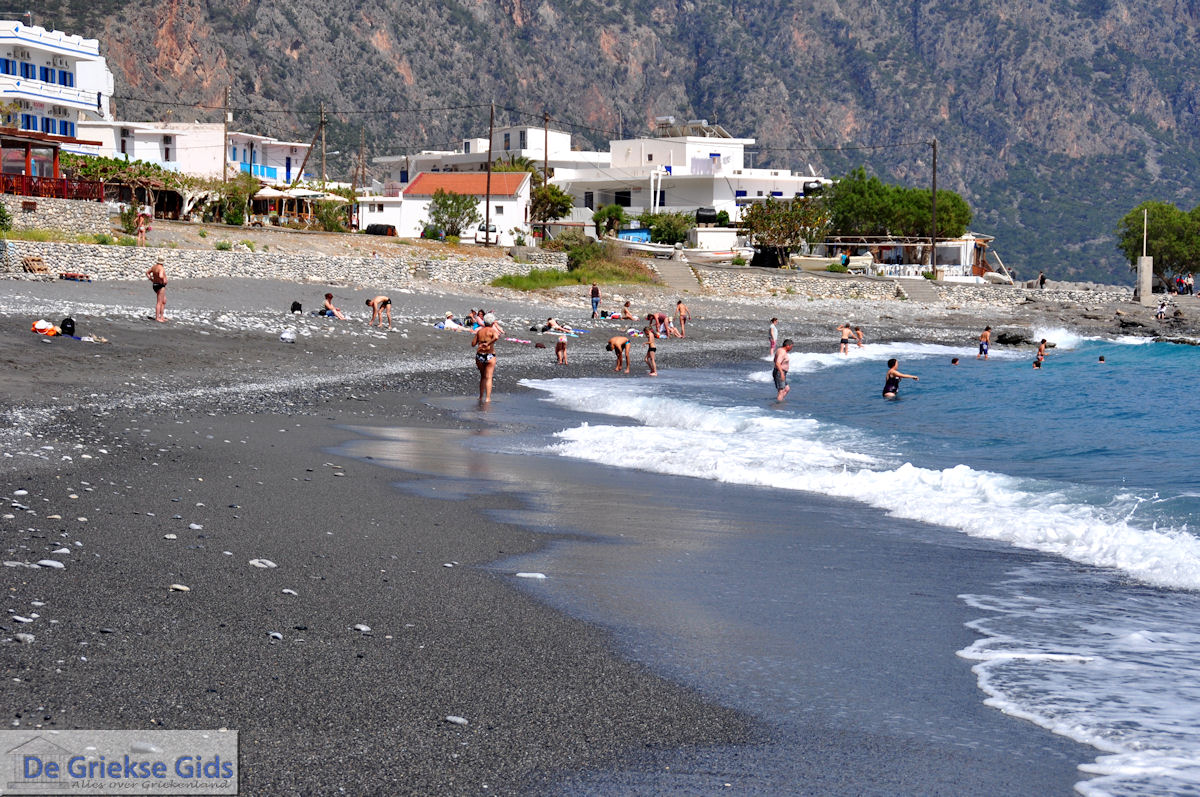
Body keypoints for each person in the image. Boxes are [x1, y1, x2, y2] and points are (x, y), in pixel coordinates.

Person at [471, 313, 502, 402]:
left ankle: (481, 397)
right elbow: (496, 337)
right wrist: (488, 343)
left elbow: (473, 344)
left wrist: (481, 342)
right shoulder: (492, 330)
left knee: (483, 376)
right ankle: (487, 398)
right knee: (489, 377)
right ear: (492, 322)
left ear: (484, 321)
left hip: (480, 355)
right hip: (489, 355)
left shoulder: (480, 331)